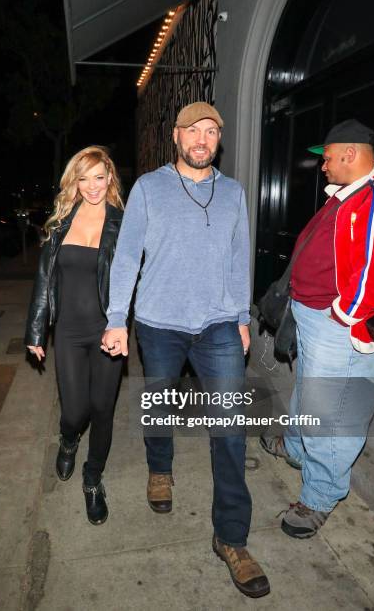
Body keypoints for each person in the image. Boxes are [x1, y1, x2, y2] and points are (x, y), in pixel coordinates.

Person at [102, 102, 270, 598]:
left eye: (211, 130)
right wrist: (116, 319)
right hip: (158, 323)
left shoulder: (233, 192)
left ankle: (232, 539)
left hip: (218, 323)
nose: (202, 138)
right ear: (175, 137)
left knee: (232, 432)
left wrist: (242, 317)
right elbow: (128, 254)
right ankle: (160, 468)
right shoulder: (150, 188)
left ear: (218, 140)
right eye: (193, 130)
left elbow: (241, 259)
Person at [261, 119, 374, 538]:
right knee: (307, 393)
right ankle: (296, 449)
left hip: (339, 327)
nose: (322, 166)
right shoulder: (347, 196)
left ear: (350, 154)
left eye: (327, 158)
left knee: (334, 416)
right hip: (313, 316)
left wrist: (343, 315)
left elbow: (373, 267)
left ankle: (320, 496)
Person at [25, 146, 123, 525]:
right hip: (66, 330)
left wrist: (124, 325)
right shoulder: (61, 222)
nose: (93, 186)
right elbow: (44, 279)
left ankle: (93, 478)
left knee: (103, 410)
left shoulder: (122, 223)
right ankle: (68, 438)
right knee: (76, 410)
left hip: (106, 333)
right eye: (84, 178)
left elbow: (132, 279)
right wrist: (36, 329)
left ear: (110, 177)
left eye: (100, 177)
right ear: (74, 182)